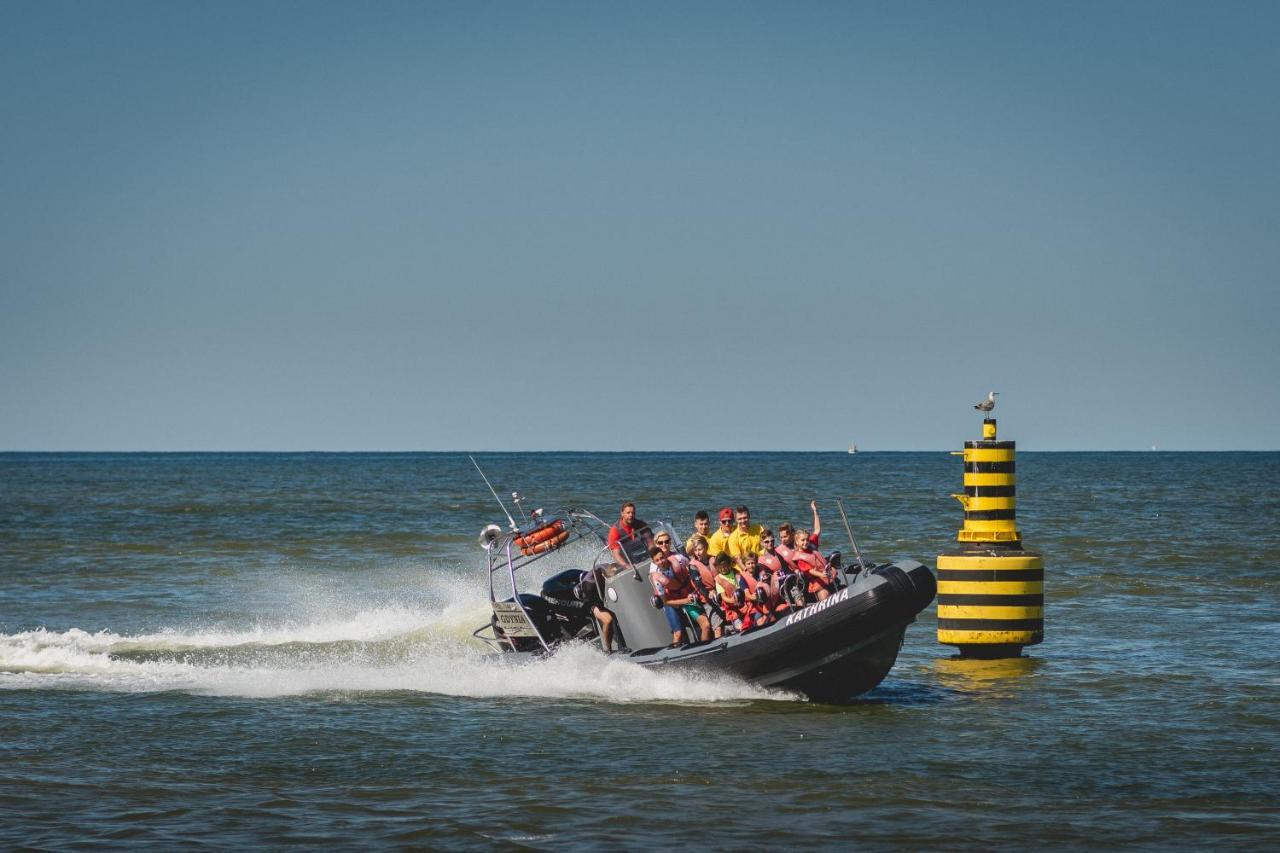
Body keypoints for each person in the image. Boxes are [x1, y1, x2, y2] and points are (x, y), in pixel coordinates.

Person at [651, 546, 711, 647]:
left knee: (706, 625)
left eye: (662, 558)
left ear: (665, 555)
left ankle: (705, 649)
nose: (661, 561)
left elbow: (691, 567)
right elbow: (666, 602)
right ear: (654, 562)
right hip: (672, 602)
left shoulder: (679, 560)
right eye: (657, 560)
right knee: (678, 634)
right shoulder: (657, 579)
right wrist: (685, 601)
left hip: (687, 595)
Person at [573, 566, 620, 653]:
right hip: (594, 604)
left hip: (605, 591)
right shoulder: (588, 590)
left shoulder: (594, 575)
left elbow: (602, 567)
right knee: (608, 619)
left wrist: (610, 571)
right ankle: (608, 649)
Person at [685, 534, 724, 638]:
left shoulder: (713, 560)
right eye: (695, 550)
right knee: (718, 627)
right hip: (708, 600)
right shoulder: (693, 566)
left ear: (706, 547)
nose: (698, 552)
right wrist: (710, 596)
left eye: (700, 549)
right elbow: (699, 586)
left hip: (721, 593)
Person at [607, 501, 653, 571]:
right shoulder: (615, 531)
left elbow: (650, 542)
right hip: (626, 559)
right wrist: (628, 567)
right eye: (628, 513)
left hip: (642, 554)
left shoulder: (641, 524)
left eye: (633, 513)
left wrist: (654, 556)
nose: (631, 515)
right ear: (622, 514)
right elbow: (616, 554)